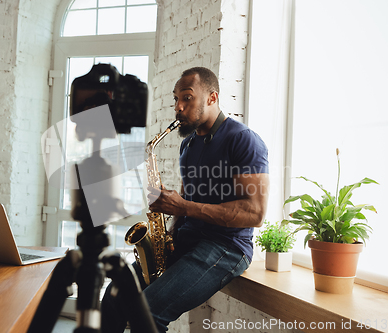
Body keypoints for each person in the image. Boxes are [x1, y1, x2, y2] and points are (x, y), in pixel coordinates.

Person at [101, 67, 269, 332]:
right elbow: (186, 198)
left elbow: (254, 213)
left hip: (226, 245)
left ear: (212, 98)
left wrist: (183, 206)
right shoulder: (187, 144)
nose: (178, 107)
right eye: (176, 99)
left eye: (187, 98)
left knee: (147, 312)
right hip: (187, 238)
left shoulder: (243, 140)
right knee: (114, 294)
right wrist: (164, 235)